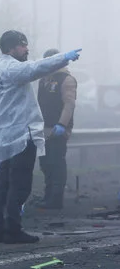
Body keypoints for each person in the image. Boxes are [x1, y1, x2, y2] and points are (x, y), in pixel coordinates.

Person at [0, 31, 81, 244]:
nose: (27, 49)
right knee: (19, 184)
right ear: (11, 48)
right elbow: (35, 68)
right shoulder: (13, 69)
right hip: (20, 135)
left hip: (5, 135)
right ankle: (12, 229)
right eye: (23, 45)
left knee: (3, 184)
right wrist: (64, 57)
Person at [37, 49, 78, 210]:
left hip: (57, 129)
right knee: (45, 164)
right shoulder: (43, 79)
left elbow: (69, 104)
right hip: (43, 129)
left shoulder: (66, 79)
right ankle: (48, 196)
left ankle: (56, 199)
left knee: (56, 163)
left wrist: (62, 124)